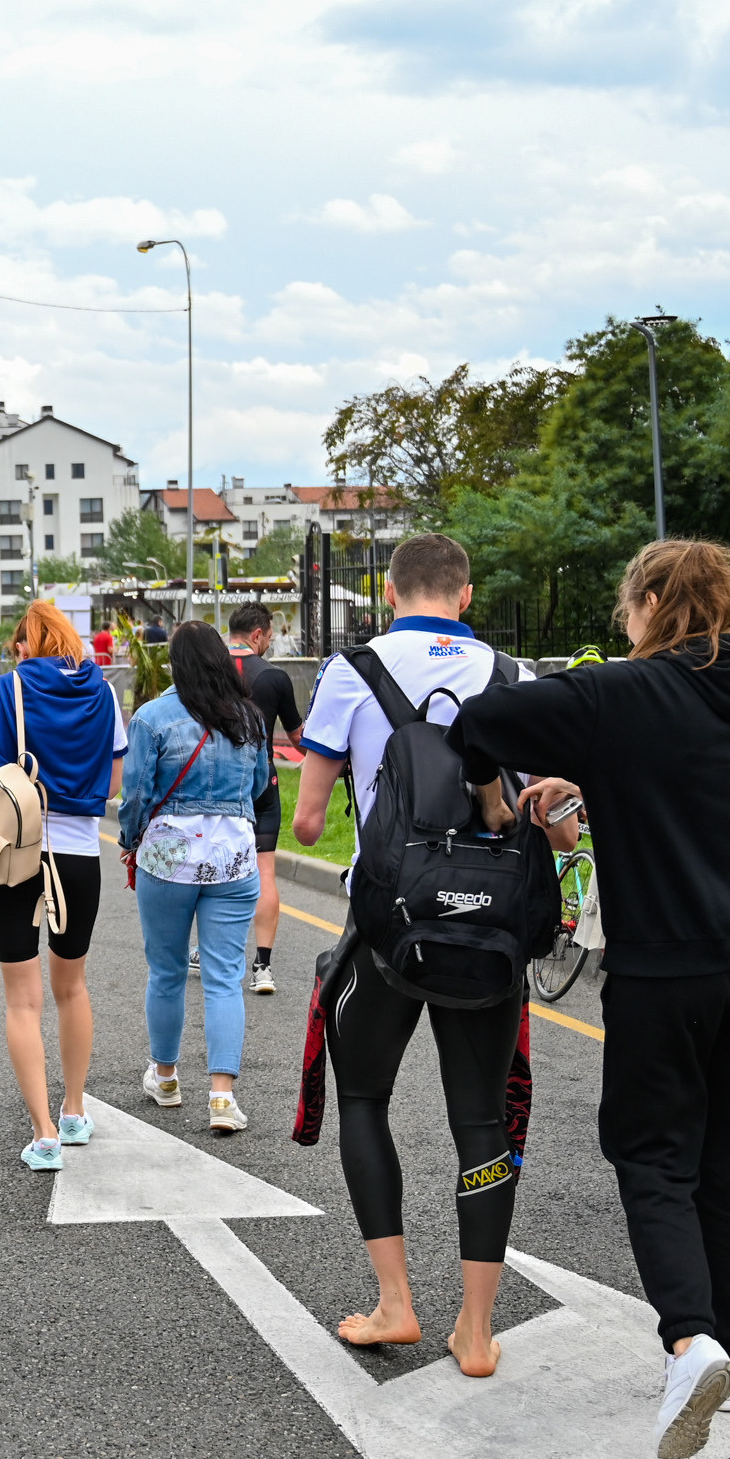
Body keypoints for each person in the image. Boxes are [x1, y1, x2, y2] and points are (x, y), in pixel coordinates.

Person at [446, 538, 730, 1459]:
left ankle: (689, 1342)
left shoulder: (619, 695)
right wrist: (600, 785)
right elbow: (708, 793)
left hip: (661, 969)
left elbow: (478, 721)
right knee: (727, 1166)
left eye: (628, 608)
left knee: (651, 1156)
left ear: (648, 602)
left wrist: (501, 793)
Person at [293, 535, 576, 1382]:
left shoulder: (354, 670)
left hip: (390, 922)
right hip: (491, 927)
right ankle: (478, 1330)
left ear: (387, 592)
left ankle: (394, 1301)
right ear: (467, 592)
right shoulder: (516, 676)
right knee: (482, 1119)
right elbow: (559, 822)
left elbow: (306, 821)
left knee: (366, 1096)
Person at [0, 600, 127, 1170]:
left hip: (18, 850)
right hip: (80, 855)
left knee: (22, 996)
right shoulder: (104, 692)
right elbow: (113, 779)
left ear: (25, 645)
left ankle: (42, 1133)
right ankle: (72, 1109)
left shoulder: (8, 689)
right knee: (73, 985)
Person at [120, 621, 276, 1134]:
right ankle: (222, 1098)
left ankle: (165, 1078)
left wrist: (130, 840)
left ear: (176, 665)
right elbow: (257, 788)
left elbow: (137, 795)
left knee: (166, 971)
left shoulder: (151, 717)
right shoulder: (250, 718)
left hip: (168, 858)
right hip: (233, 857)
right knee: (225, 977)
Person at [226, 603, 306, 994]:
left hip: (216, 785)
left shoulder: (207, 671)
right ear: (257, 634)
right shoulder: (274, 677)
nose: (269, 642)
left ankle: (210, 950)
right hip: (261, 783)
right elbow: (297, 739)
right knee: (265, 872)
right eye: (270, 636)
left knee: (214, 867)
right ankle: (262, 967)